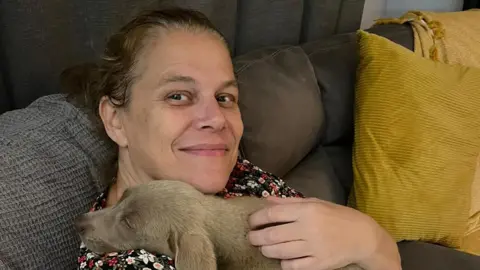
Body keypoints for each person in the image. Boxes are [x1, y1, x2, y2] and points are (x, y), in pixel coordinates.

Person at [63, 7, 401, 270]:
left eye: (225, 98)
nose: (216, 119)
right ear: (115, 119)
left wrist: (369, 239)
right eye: (177, 96)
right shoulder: (126, 257)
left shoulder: (240, 176)